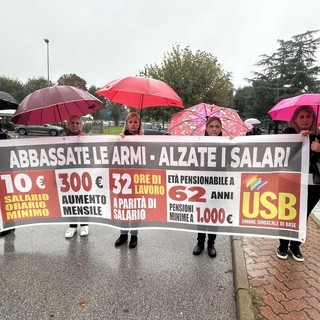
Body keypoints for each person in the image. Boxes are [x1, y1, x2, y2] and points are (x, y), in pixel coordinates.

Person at [277, 105, 320, 262]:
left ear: (313, 118)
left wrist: (319, 149)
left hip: (313, 184)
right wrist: (298, 140)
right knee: (286, 213)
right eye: (301, 116)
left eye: (308, 116)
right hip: (290, 182)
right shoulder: (287, 134)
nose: (305, 120)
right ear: (295, 119)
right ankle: (283, 244)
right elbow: (280, 155)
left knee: (303, 215)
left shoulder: (318, 136)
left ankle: (295, 245)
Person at [193, 116, 222, 258]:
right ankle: (200, 242)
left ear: (221, 128)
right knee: (201, 215)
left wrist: (234, 143)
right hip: (202, 185)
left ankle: (211, 243)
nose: (214, 129)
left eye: (217, 126)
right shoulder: (199, 143)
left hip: (218, 185)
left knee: (214, 215)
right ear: (206, 128)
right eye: (211, 127)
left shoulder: (227, 144)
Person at [114, 112, 143, 249]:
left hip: (138, 179)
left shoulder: (145, 139)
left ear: (139, 124)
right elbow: (112, 156)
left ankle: (134, 235)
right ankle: (123, 234)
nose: (133, 124)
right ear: (126, 124)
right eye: (130, 122)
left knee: (136, 207)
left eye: (135, 122)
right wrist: (118, 141)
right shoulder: (121, 138)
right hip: (123, 180)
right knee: (124, 206)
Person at [64, 115, 89, 238]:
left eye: (77, 123)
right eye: (72, 123)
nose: (75, 125)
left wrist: (84, 141)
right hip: (67, 174)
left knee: (83, 199)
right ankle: (72, 226)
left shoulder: (85, 137)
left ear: (81, 125)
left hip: (82, 173)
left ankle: (84, 225)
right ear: (68, 125)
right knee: (71, 201)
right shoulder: (62, 138)